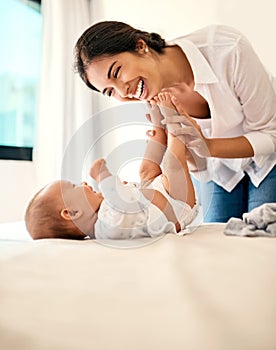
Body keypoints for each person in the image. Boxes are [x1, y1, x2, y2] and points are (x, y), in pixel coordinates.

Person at [74, 20, 276, 223]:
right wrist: (186, 151)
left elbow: (270, 134)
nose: (123, 92)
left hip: (268, 157)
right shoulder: (149, 92)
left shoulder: (228, 50)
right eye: (110, 91)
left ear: (140, 46)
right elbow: (194, 162)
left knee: (260, 235)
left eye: (116, 72)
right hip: (220, 170)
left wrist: (209, 146)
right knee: (216, 240)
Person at [25, 93, 198, 240]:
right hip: (177, 206)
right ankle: (173, 122)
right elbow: (120, 206)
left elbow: (124, 202)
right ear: (72, 213)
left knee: (145, 170)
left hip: (156, 196)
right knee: (172, 164)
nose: (84, 183)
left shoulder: (105, 214)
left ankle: (158, 128)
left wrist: (126, 191)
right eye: (74, 186)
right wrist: (103, 176)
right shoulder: (106, 229)